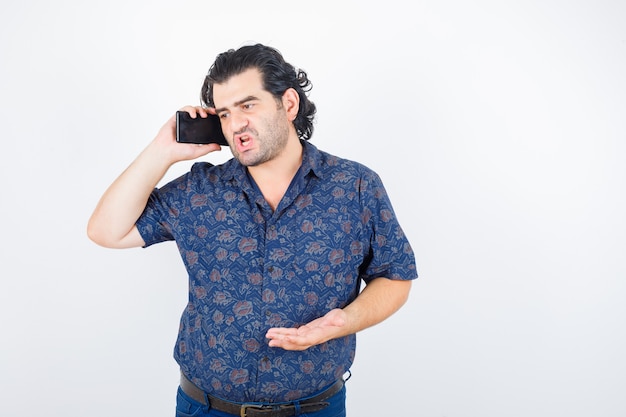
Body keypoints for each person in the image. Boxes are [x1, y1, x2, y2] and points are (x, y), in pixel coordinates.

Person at [87, 43, 418, 417]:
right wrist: (163, 150)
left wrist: (345, 321)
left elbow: (395, 275)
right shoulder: (199, 191)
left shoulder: (355, 186)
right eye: (224, 113)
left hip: (316, 407)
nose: (235, 124)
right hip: (207, 408)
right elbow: (106, 231)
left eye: (248, 105)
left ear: (288, 104)